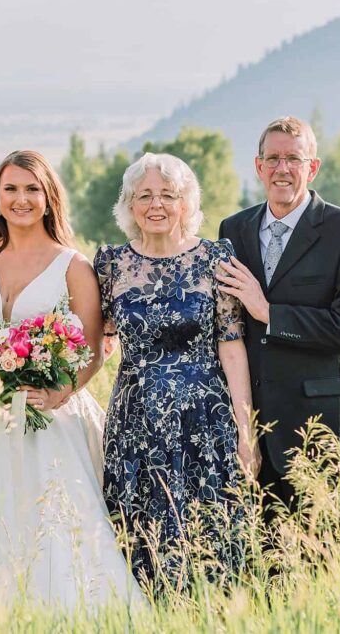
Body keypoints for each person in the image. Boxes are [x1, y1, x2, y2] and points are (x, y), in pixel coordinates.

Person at [0, 150, 144, 610]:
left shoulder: (72, 265)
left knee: (55, 521)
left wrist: (58, 392)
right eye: (10, 189)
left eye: (32, 189)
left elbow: (92, 349)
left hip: (51, 417)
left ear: (49, 198)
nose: (20, 199)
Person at [93, 152, 257, 588]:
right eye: (144, 195)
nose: (156, 205)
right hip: (136, 421)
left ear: (187, 203)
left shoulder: (215, 259)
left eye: (169, 194)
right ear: (129, 206)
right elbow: (98, 343)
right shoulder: (110, 265)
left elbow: (232, 347)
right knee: (139, 532)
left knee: (209, 530)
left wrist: (246, 430)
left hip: (205, 418)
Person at [217, 116, 340, 514]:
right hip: (250, 425)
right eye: (272, 158)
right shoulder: (233, 230)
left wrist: (270, 313)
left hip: (319, 427)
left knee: (326, 552)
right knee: (260, 555)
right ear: (258, 167)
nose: (282, 169)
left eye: (294, 158)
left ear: (313, 167)